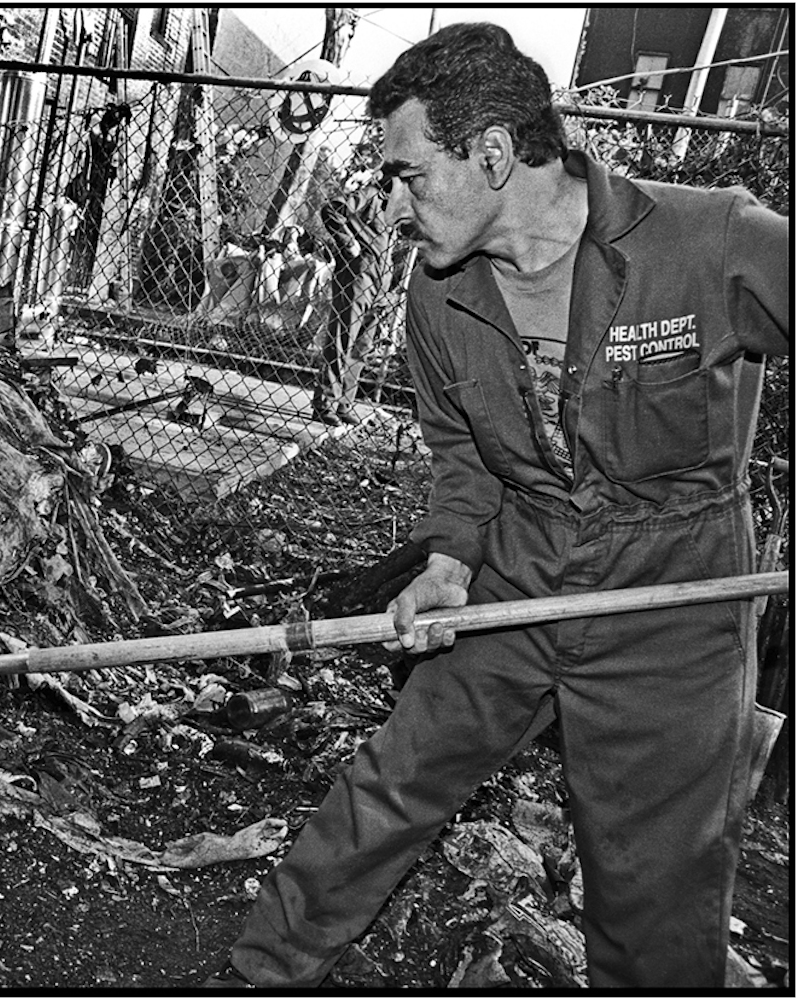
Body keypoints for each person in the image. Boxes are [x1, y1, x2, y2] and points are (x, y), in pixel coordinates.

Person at [206, 22, 789, 989]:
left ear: (491, 153)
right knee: (391, 785)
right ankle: (260, 972)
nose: (392, 207)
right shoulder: (441, 294)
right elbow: (463, 459)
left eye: (408, 176)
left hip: (675, 600)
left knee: (659, 879)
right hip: (519, 563)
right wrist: (447, 562)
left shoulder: (706, 239)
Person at [312, 160, 397, 426]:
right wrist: (349, 244)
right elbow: (332, 210)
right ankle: (325, 402)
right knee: (342, 337)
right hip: (358, 275)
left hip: (380, 284)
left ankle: (343, 403)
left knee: (361, 346)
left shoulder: (396, 209)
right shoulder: (371, 194)